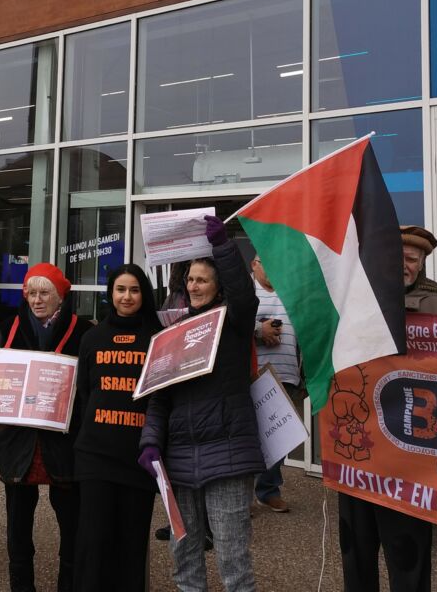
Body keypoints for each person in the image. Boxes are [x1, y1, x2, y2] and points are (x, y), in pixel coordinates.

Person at [139, 216, 263, 592]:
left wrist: (224, 248)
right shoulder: (172, 333)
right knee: (185, 556)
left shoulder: (234, 324)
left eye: (202, 280)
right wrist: (150, 441)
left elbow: (245, 297)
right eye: (190, 280)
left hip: (227, 455)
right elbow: (160, 396)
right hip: (179, 459)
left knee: (232, 560)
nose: (193, 286)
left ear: (217, 285)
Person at [0, 263, 91, 592]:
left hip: (66, 443)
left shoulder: (83, 332)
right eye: (31, 293)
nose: (36, 299)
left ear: (61, 295)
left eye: (44, 292)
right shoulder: (6, 330)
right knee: (18, 527)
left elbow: (96, 387)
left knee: (73, 525)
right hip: (16, 442)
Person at [339, 224, 437, 592]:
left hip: (409, 458)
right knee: (356, 551)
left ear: (421, 265)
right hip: (358, 452)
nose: (403, 264)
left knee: (407, 557)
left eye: (412, 259)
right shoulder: (352, 303)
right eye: (396, 255)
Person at [73, 264, 162, 592]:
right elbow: (84, 394)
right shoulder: (92, 338)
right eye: (120, 289)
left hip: (138, 459)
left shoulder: (158, 339)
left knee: (131, 546)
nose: (127, 297)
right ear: (110, 293)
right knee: (92, 544)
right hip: (95, 457)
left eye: (134, 290)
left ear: (144, 294)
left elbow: (162, 398)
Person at [251, 253, 301, 513]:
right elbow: (231, 321)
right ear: (254, 265)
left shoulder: (292, 290)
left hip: (287, 375)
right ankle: (243, 495)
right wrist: (260, 330)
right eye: (266, 262)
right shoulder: (246, 291)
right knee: (249, 437)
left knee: (279, 438)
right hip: (253, 375)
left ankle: (268, 490)